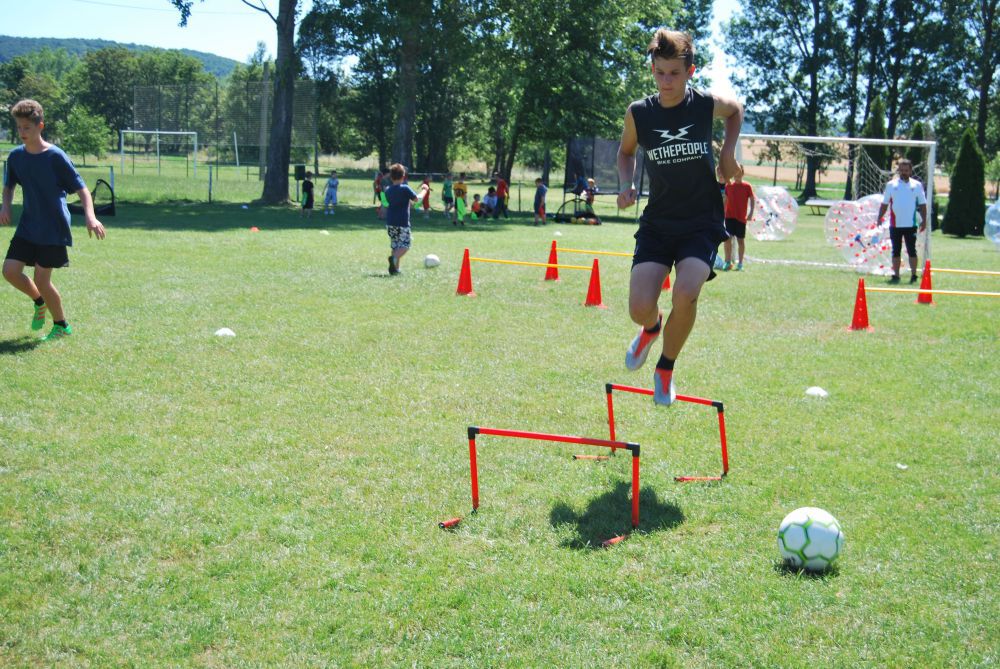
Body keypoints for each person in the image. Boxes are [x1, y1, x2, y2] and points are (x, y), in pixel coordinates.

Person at [616, 29, 743, 406]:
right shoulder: (640, 112)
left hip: (701, 221)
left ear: (691, 71)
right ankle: (651, 328)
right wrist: (626, 183)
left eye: (674, 73)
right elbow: (626, 152)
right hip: (658, 222)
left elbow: (735, 110)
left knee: (686, 292)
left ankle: (665, 368)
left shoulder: (704, 104)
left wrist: (728, 154)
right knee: (639, 308)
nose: (666, 81)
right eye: (660, 73)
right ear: (652, 70)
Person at [1, 99, 106, 341]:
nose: (22, 132)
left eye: (27, 127)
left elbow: (82, 189)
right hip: (28, 224)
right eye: (19, 127)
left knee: (41, 278)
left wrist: (90, 217)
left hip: (53, 227)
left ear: (40, 126)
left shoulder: (55, 156)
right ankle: (39, 302)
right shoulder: (16, 156)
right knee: (10, 271)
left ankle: (61, 325)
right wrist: (5, 205)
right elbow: (9, 186)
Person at [877, 158, 927, 284]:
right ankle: (896, 275)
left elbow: (922, 204)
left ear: (910, 171)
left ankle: (914, 275)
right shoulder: (891, 185)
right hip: (895, 224)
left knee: (912, 250)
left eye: (906, 170)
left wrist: (924, 220)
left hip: (911, 225)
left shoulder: (917, 185)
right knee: (895, 250)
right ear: (898, 170)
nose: (904, 172)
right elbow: (885, 204)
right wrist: (879, 217)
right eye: (902, 170)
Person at [384, 163, 429, 275]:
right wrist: (424, 189)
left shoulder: (388, 190)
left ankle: (395, 269)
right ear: (403, 176)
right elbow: (417, 199)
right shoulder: (405, 188)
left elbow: (398, 201)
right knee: (405, 246)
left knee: (395, 245)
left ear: (391, 177)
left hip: (390, 223)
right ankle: (394, 259)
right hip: (402, 223)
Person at [722, 167, 755, 270]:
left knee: (740, 241)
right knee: (727, 239)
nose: (737, 175)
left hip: (741, 218)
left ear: (742, 174)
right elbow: (726, 200)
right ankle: (727, 262)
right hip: (729, 217)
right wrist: (722, 213)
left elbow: (752, 200)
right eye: (735, 173)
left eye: (739, 173)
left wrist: (751, 213)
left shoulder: (747, 186)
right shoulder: (729, 186)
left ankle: (740, 264)